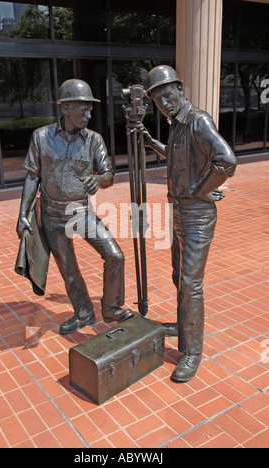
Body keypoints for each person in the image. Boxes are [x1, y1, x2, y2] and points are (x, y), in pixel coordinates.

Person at [16, 79, 134, 335]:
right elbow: (32, 176)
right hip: (51, 214)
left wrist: (99, 180)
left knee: (114, 255)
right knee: (68, 269)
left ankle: (112, 307)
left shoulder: (94, 140)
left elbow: (108, 174)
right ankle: (83, 312)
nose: (89, 115)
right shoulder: (41, 137)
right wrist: (23, 214)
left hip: (81, 211)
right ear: (66, 108)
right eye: (84, 109)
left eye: (90, 109)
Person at [144, 65, 237, 382]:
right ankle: (184, 326)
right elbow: (176, 156)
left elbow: (227, 161)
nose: (164, 103)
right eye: (158, 100)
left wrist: (202, 191)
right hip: (178, 212)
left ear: (180, 89)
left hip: (196, 215)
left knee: (191, 284)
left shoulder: (198, 120)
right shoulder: (177, 126)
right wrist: (152, 143)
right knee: (178, 276)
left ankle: (193, 351)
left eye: (167, 95)